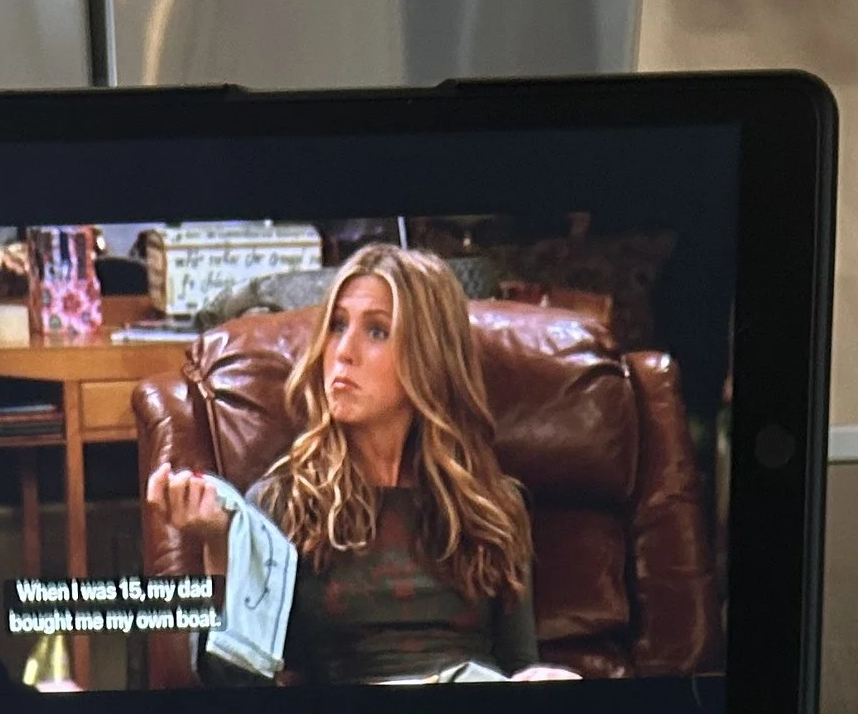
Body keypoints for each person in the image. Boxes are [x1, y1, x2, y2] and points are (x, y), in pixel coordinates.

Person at [146, 243, 573, 687]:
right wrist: (221, 546)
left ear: (429, 358)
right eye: (336, 326)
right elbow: (235, 690)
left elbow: (519, 664)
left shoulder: (495, 505)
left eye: (377, 332)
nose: (343, 351)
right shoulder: (284, 503)